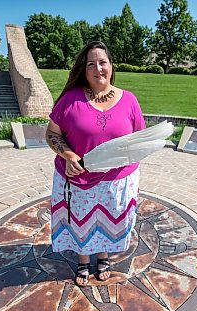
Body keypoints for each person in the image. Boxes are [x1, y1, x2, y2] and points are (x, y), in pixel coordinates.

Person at [45, 41, 146, 287]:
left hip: (117, 180)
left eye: (102, 62)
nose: (97, 69)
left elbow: (138, 139)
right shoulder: (70, 99)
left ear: (111, 66)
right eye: (91, 64)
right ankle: (82, 260)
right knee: (80, 220)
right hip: (78, 178)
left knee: (108, 220)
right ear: (84, 68)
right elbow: (51, 134)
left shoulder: (129, 100)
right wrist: (69, 156)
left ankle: (103, 257)